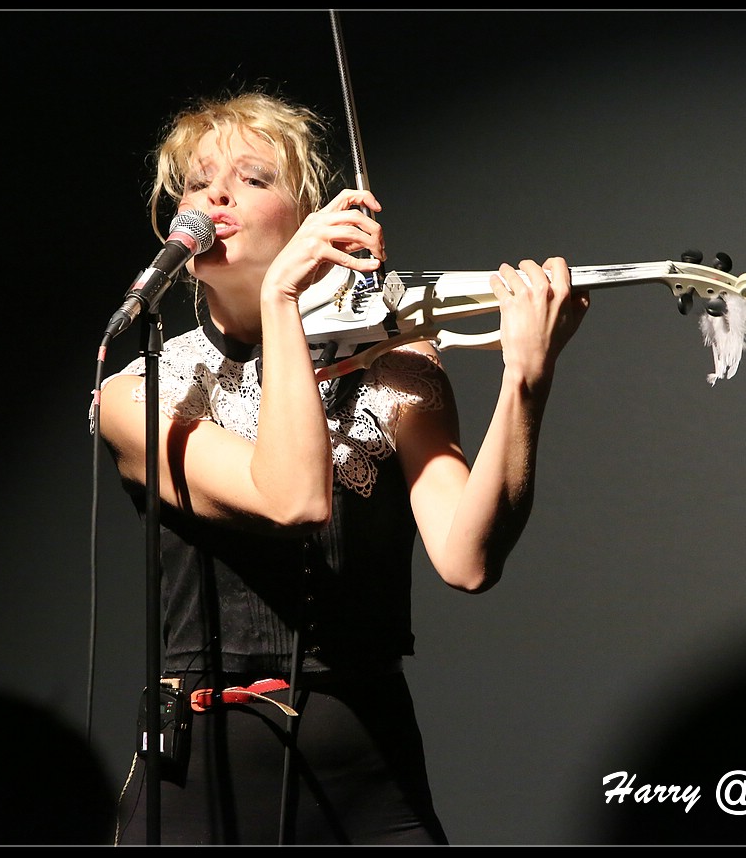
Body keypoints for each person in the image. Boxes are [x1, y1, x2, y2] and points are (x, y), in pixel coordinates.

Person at [94, 88, 589, 845]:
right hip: (204, 779)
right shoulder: (141, 394)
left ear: (310, 219)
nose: (216, 195)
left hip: (369, 772)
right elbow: (291, 498)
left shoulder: (394, 363)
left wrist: (526, 381)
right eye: (197, 182)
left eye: (253, 178)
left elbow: (468, 558)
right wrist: (282, 301)